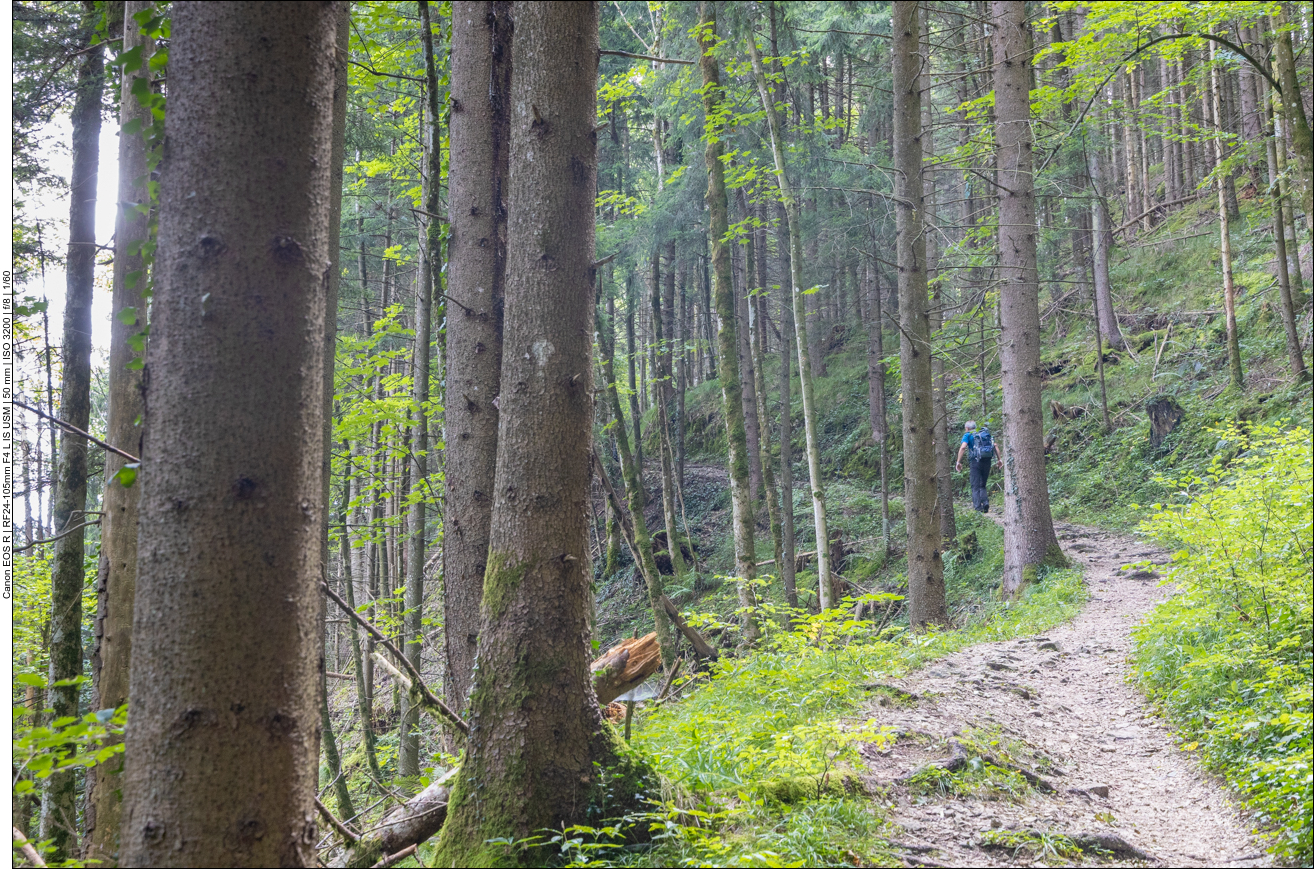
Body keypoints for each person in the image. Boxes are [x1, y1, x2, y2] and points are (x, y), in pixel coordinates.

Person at [955, 420, 1002, 513]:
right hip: (987, 460)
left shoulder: (968, 435)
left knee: (975, 485)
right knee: (982, 484)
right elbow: (995, 445)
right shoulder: (985, 433)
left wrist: (958, 462)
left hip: (975, 462)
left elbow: (963, 447)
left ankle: (978, 508)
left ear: (967, 428)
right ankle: (985, 503)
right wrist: (999, 459)